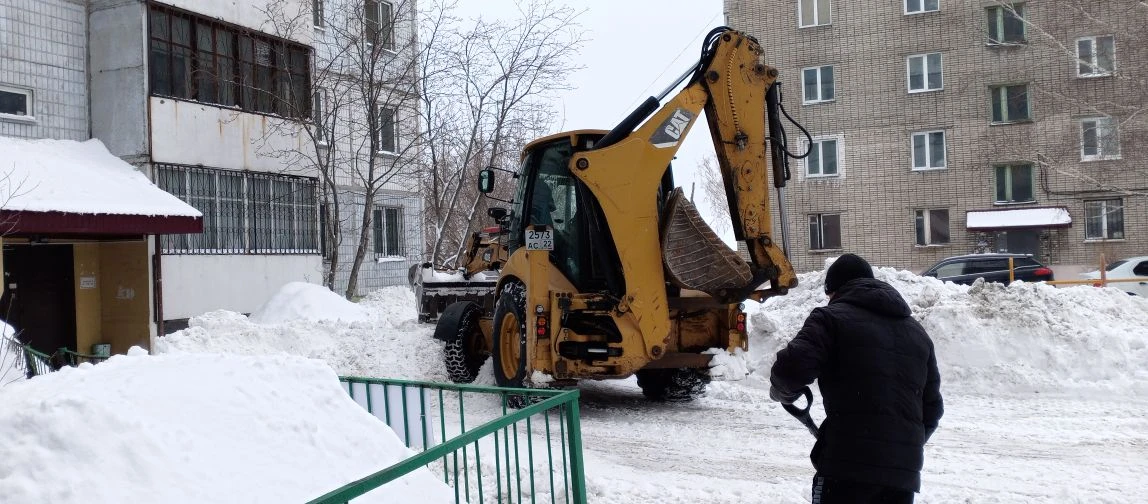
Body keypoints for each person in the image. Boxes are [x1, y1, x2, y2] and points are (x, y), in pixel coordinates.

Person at [769, 253, 943, 504]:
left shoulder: (830, 318)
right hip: (902, 477)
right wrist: (899, 448)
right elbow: (932, 410)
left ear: (834, 290)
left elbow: (790, 370)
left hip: (846, 469)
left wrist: (781, 393)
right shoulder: (917, 333)